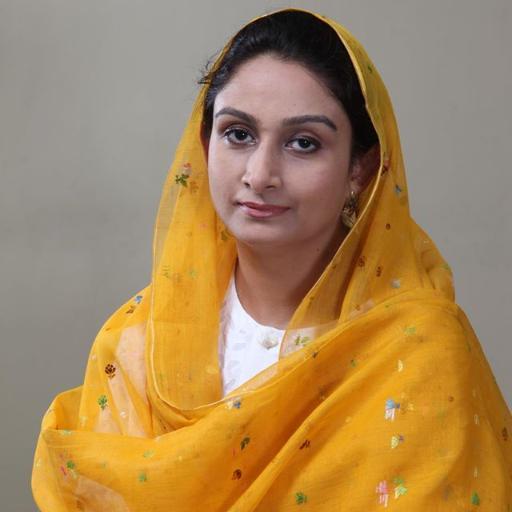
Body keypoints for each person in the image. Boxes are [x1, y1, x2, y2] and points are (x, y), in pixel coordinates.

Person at [31, 8, 511, 511]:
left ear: (360, 168)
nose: (260, 175)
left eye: (303, 143)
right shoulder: (134, 346)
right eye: (238, 134)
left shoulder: (419, 354)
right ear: (205, 145)